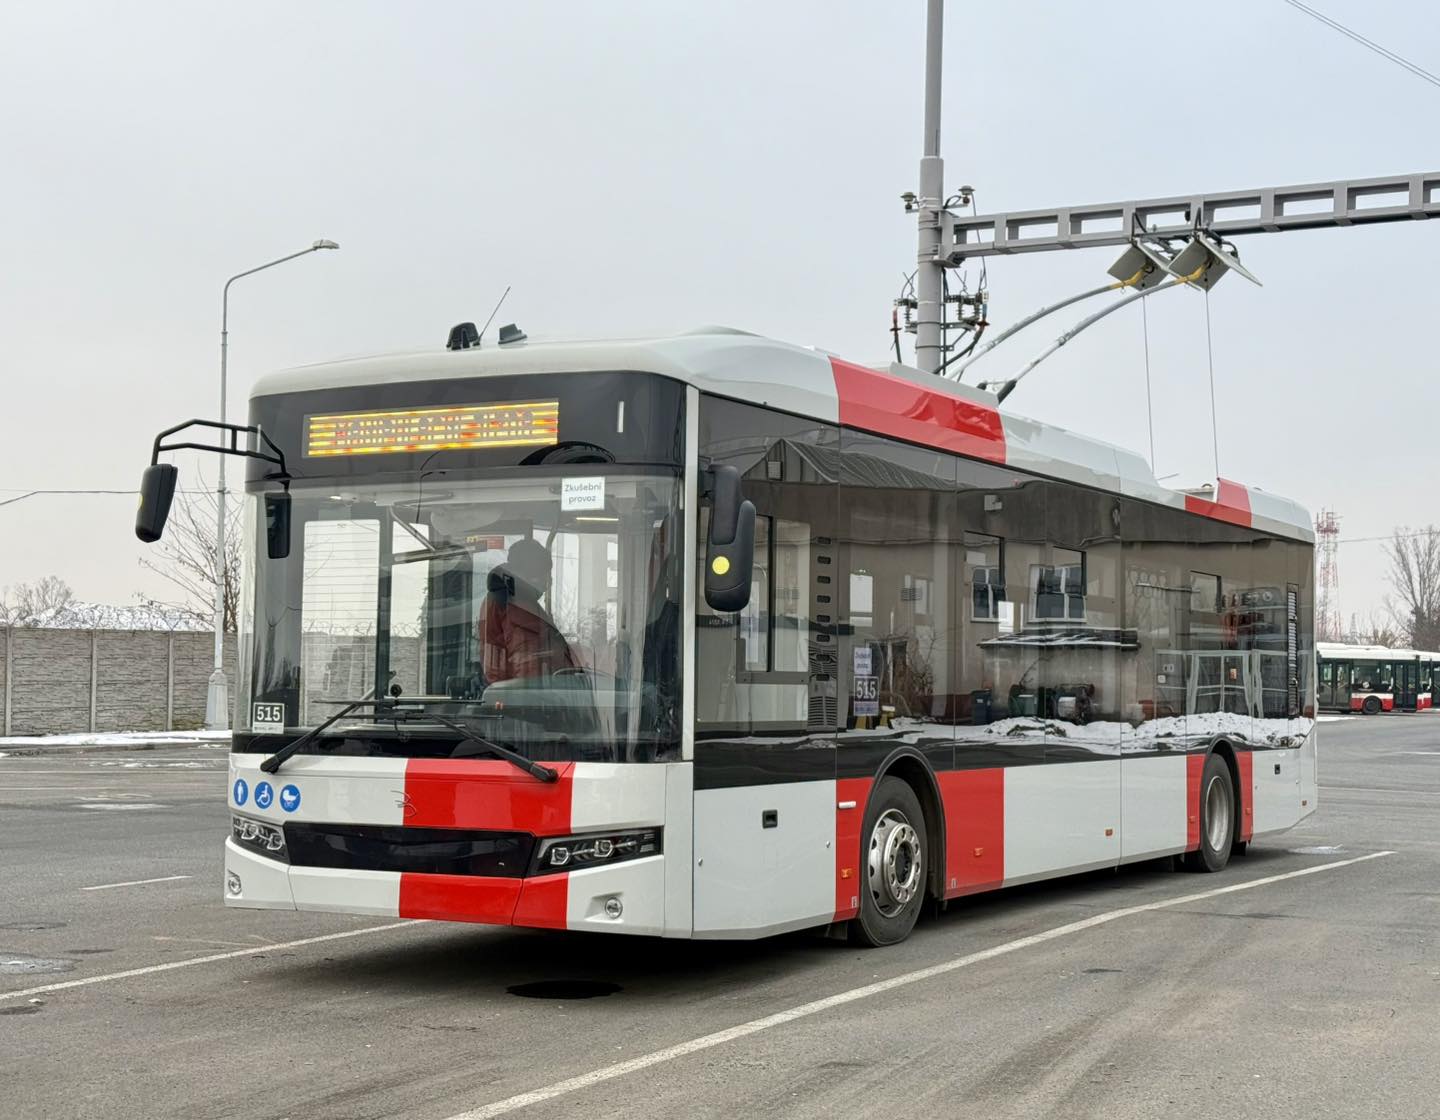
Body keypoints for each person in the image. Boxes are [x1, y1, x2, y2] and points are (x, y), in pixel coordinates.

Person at [477, 537, 580, 683]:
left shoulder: (524, 604)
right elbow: (508, 662)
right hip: (528, 697)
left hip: (541, 694)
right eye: (544, 573)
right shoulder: (506, 605)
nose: (548, 581)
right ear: (527, 572)